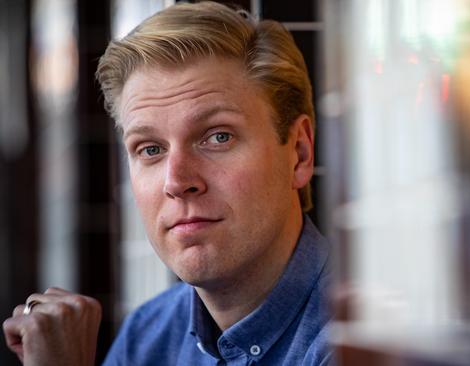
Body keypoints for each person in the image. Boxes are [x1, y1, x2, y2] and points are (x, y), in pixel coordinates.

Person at [2, 2, 331, 365]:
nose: (176, 181)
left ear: (299, 153)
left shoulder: (353, 341)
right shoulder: (147, 336)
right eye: (151, 148)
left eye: (218, 137)